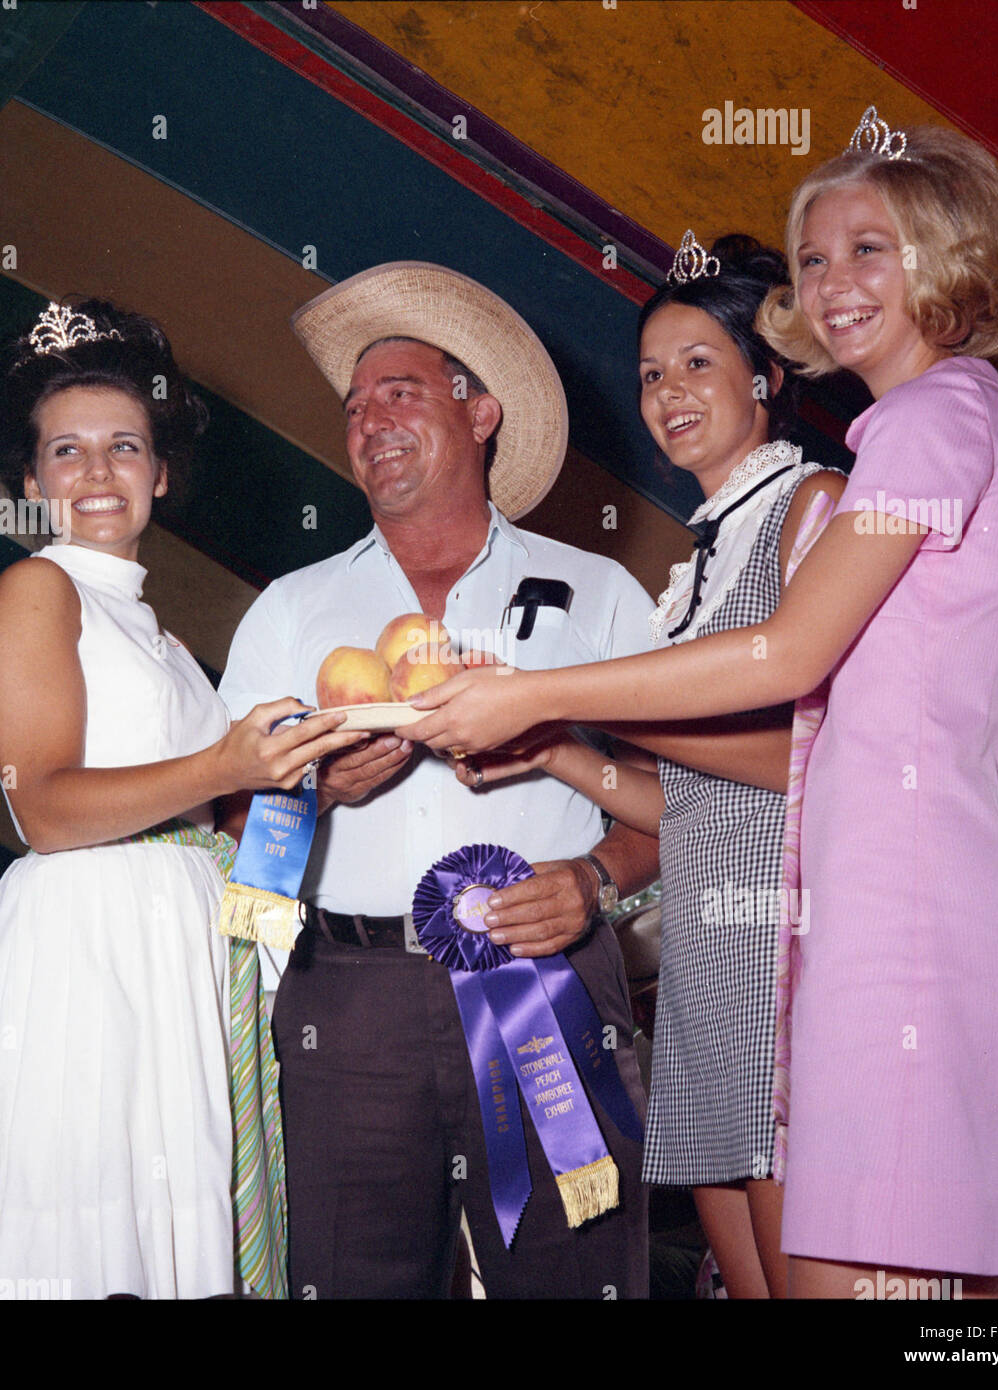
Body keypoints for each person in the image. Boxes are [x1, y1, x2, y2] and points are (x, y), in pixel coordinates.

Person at [406, 114, 998, 1296]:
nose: (833, 284)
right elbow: (955, 753)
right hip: (900, 908)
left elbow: (782, 653)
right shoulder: (933, 426)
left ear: (949, 257)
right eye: (814, 260)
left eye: (870, 249)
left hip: (903, 920)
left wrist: (534, 690)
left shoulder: (934, 418)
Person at [0, 300, 360, 1300]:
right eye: (67, 450)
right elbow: (46, 811)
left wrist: (304, 784)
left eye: (123, 447)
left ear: (160, 471)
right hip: (87, 946)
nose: (97, 473)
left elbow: (204, 805)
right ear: (30, 479)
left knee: (164, 1232)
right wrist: (228, 767)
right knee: (79, 1232)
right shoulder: (37, 591)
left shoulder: (167, 637)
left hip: (175, 948)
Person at [220, 261, 659, 1299]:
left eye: (400, 392)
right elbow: (233, 819)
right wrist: (314, 793)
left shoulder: (599, 591)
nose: (368, 420)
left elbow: (676, 799)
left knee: (575, 1269)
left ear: (481, 412)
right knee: (349, 1275)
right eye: (354, 406)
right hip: (348, 998)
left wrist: (595, 881)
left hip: (545, 972)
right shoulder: (290, 605)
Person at [463, 233, 845, 1297]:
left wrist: (561, 690)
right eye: (649, 374)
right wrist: (554, 750)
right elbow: (693, 804)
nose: (667, 393)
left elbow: (819, 762)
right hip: (709, 965)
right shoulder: (695, 569)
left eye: (697, 364)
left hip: (793, 949)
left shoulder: (816, 508)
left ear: (767, 378)